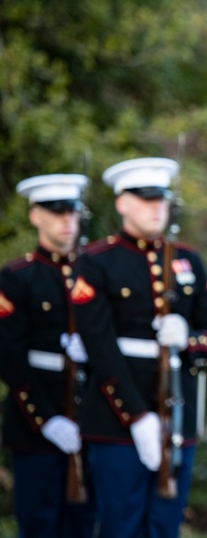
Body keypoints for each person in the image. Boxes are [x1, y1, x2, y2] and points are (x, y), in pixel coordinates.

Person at [72, 156, 207, 538]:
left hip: (177, 415)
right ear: (122, 203)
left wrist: (187, 338)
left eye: (162, 200)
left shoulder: (188, 260)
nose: (157, 207)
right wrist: (137, 416)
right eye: (145, 199)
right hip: (115, 415)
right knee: (120, 524)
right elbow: (99, 345)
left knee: (164, 524)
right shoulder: (96, 262)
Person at [0, 173, 96, 537]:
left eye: (72, 213)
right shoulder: (18, 276)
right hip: (35, 421)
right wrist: (47, 419)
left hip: (88, 415)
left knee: (83, 524)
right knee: (40, 522)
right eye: (56, 213)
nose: (67, 222)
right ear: (35, 216)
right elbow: (8, 354)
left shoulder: (92, 271)